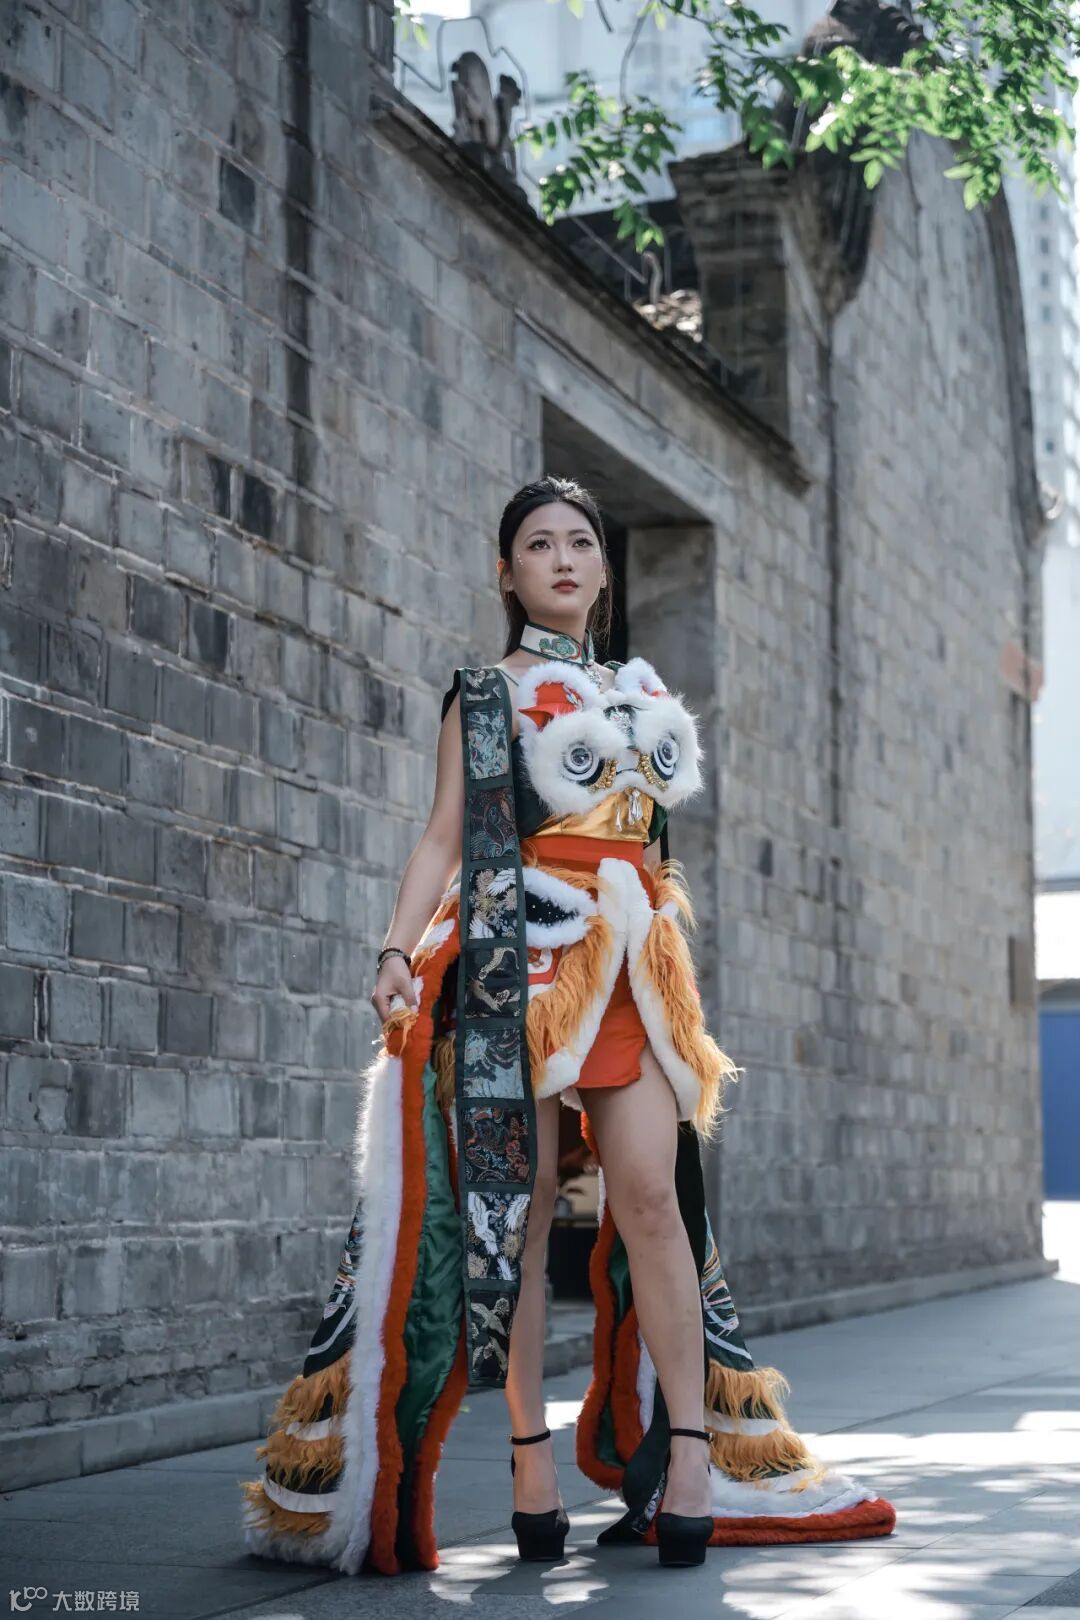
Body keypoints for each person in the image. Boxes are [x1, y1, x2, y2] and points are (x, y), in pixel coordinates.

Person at [239, 475, 895, 1575]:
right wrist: (396, 950)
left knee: (652, 1200)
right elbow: (444, 838)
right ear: (508, 573)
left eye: (579, 542)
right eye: (538, 544)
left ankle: (690, 1456)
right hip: (516, 970)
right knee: (524, 1215)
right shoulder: (484, 695)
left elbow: (653, 845)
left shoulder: (642, 692)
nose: (562, 559)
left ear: (602, 567)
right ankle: (529, 1460)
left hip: (633, 969)